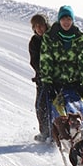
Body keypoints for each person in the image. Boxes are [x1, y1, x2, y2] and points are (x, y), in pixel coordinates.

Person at [39, 5, 83, 125]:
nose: (66, 22)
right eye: (63, 19)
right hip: (56, 81)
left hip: (75, 81)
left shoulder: (80, 38)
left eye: (69, 19)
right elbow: (46, 60)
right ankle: (48, 131)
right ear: (59, 20)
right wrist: (47, 81)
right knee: (48, 105)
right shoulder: (50, 37)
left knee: (81, 106)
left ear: (72, 20)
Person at [29, 13, 51, 142]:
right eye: (36, 26)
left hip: (59, 77)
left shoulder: (53, 38)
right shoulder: (34, 42)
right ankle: (44, 131)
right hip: (43, 79)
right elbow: (34, 61)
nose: (39, 29)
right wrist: (42, 73)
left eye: (41, 25)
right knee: (41, 105)